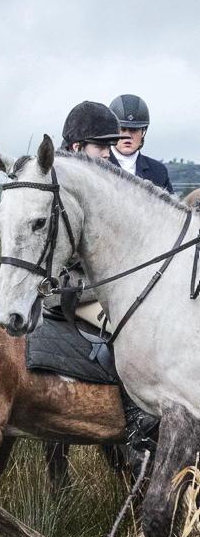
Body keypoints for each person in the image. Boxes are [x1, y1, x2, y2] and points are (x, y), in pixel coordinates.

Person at [58, 100, 158, 469]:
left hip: (103, 282)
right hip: (73, 286)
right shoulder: (64, 185)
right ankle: (137, 424)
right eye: (101, 147)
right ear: (77, 147)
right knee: (129, 328)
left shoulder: (93, 181)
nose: (108, 154)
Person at [108, 95, 173, 192]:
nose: (128, 136)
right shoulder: (96, 166)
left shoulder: (159, 171)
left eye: (134, 130)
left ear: (143, 132)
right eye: (122, 129)